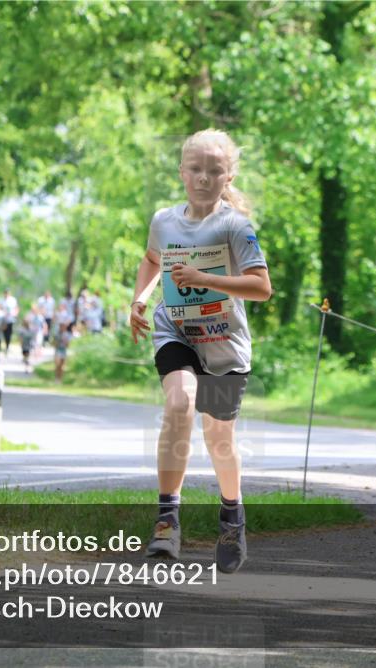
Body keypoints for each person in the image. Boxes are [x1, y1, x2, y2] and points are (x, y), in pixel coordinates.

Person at [129, 129, 272, 574]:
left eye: (214, 170)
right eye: (195, 169)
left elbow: (261, 287)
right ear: (182, 173)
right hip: (176, 330)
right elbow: (153, 260)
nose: (204, 178)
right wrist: (139, 299)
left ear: (229, 176)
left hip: (224, 343)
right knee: (179, 403)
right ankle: (167, 520)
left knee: (219, 440)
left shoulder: (235, 226)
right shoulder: (164, 221)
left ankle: (232, 516)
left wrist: (205, 279)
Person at [0, 289, 19, 356]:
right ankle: (2, 345)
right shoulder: (1, 300)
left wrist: (15, 314)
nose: (6, 295)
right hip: (3, 319)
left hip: (10, 319)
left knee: (8, 333)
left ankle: (7, 346)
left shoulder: (13, 300)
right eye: (5, 293)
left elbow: (16, 308)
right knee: (3, 332)